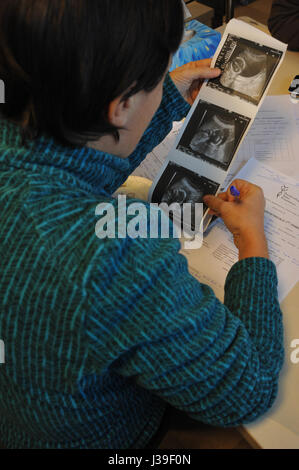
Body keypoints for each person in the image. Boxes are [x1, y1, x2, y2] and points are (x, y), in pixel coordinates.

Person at [0, 0, 283, 449]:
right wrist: (252, 244)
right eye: (158, 71)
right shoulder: (109, 252)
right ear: (121, 104)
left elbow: (71, 162)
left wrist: (162, 94)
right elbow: (248, 390)